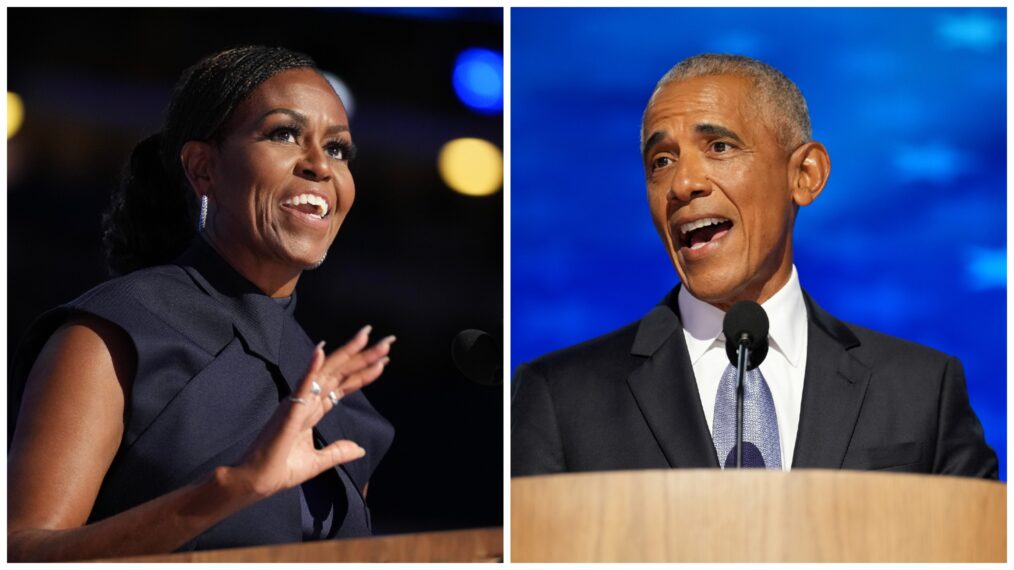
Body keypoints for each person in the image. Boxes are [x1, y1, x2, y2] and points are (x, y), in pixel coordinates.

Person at [511, 54, 997, 479]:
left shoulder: (920, 389)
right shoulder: (561, 396)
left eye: (719, 147)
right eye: (660, 161)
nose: (682, 184)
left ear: (805, 176)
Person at [8, 46, 397, 560]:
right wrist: (231, 490)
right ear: (203, 168)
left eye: (339, 149)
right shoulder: (114, 332)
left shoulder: (343, 403)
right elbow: (20, 550)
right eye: (283, 134)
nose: (320, 166)